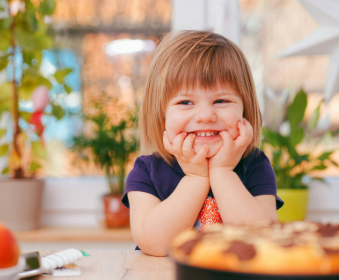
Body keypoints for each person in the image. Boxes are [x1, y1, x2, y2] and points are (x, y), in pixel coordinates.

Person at [121, 30, 284, 257]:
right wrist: (196, 177)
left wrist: (223, 172)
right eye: (185, 102)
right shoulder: (147, 171)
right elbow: (154, 244)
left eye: (221, 100)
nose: (205, 115)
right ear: (161, 115)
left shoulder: (255, 164)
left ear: (245, 110)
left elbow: (262, 241)